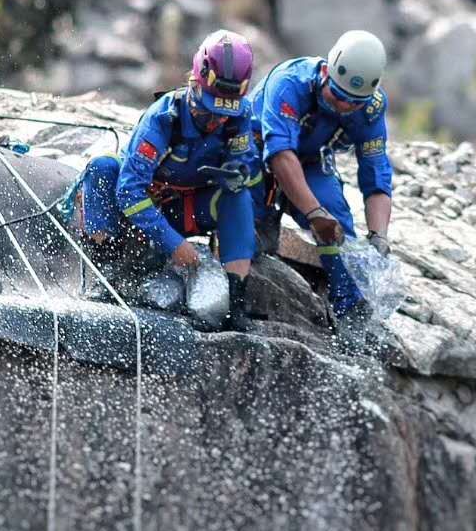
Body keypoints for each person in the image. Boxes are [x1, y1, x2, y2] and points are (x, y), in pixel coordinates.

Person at [68, 29, 261, 331]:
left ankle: (235, 299)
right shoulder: (163, 119)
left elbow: (246, 161)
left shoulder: (239, 117)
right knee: (102, 169)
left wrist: (238, 171)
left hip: (184, 210)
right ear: (196, 83)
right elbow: (129, 191)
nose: (217, 121)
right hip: (138, 213)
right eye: (211, 110)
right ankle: (104, 272)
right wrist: (174, 245)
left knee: (239, 195)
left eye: (224, 113)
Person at [251, 29, 394, 353]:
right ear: (327, 72)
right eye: (338, 96)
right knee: (250, 240)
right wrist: (314, 214)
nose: (344, 107)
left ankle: (348, 311)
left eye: (353, 103)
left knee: (338, 224)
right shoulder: (290, 82)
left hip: (313, 159)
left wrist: (379, 237)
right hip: (256, 149)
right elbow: (280, 156)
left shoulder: (370, 108)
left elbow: (376, 172)